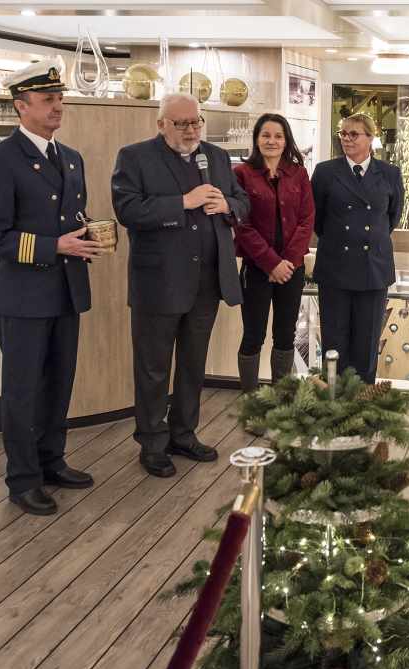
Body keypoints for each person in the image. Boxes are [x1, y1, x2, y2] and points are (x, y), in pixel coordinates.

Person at [0, 58, 102, 516]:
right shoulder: (0, 160)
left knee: (58, 385)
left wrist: (87, 237)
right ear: (20, 106)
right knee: (23, 390)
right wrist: (55, 246)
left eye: (59, 99)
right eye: (48, 100)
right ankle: (22, 478)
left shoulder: (70, 158)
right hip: (24, 296)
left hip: (66, 290)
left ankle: (52, 461)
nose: (57, 108)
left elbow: (69, 220)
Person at [112, 92, 250, 478]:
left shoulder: (217, 157)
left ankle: (184, 434)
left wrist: (228, 207)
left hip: (206, 282)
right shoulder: (135, 157)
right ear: (161, 125)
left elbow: (242, 201)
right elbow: (127, 210)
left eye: (196, 122)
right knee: (154, 369)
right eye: (182, 124)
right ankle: (153, 443)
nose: (191, 131)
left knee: (192, 366)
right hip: (159, 283)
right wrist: (183, 201)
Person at [312, 113, 403, 383]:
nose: (347, 139)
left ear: (370, 138)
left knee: (366, 342)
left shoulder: (389, 173)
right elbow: (317, 219)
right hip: (335, 268)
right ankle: (334, 403)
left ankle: (363, 406)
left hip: (373, 269)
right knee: (334, 341)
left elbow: (392, 217)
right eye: (343, 134)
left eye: (354, 134)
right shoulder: (325, 171)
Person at [233, 113, 314, 392]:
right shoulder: (241, 174)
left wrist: (288, 262)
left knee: (285, 335)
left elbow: (307, 219)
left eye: (278, 136)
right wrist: (270, 263)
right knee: (253, 334)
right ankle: (251, 401)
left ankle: (281, 400)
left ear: (286, 140)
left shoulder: (298, 173)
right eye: (266, 135)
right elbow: (241, 224)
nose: (272, 141)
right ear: (256, 139)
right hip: (257, 269)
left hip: (292, 269)